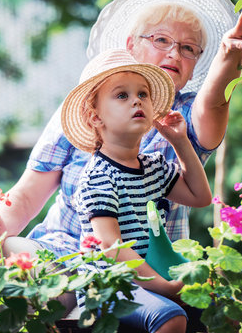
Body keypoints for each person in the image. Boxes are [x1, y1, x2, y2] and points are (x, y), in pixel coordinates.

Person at [0, 0, 242, 316]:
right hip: (66, 251)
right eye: (161, 39)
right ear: (131, 45)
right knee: (14, 260)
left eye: (188, 48)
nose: (174, 52)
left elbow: (214, 102)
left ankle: (78, 301)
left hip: (146, 268)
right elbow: (27, 195)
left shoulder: (184, 116)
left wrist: (226, 59)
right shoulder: (84, 106)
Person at [62, 48, 212, 332]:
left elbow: (200, 197)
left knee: (210, 302)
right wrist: (165, 287)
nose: (137, 101)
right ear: (95, 118)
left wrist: (180, 143)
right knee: (170, 317)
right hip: (109, 286)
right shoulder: (98, 176)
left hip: (147, 276)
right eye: (122, 95)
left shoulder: (152, 167)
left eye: (143, 94)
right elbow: (112, 248)